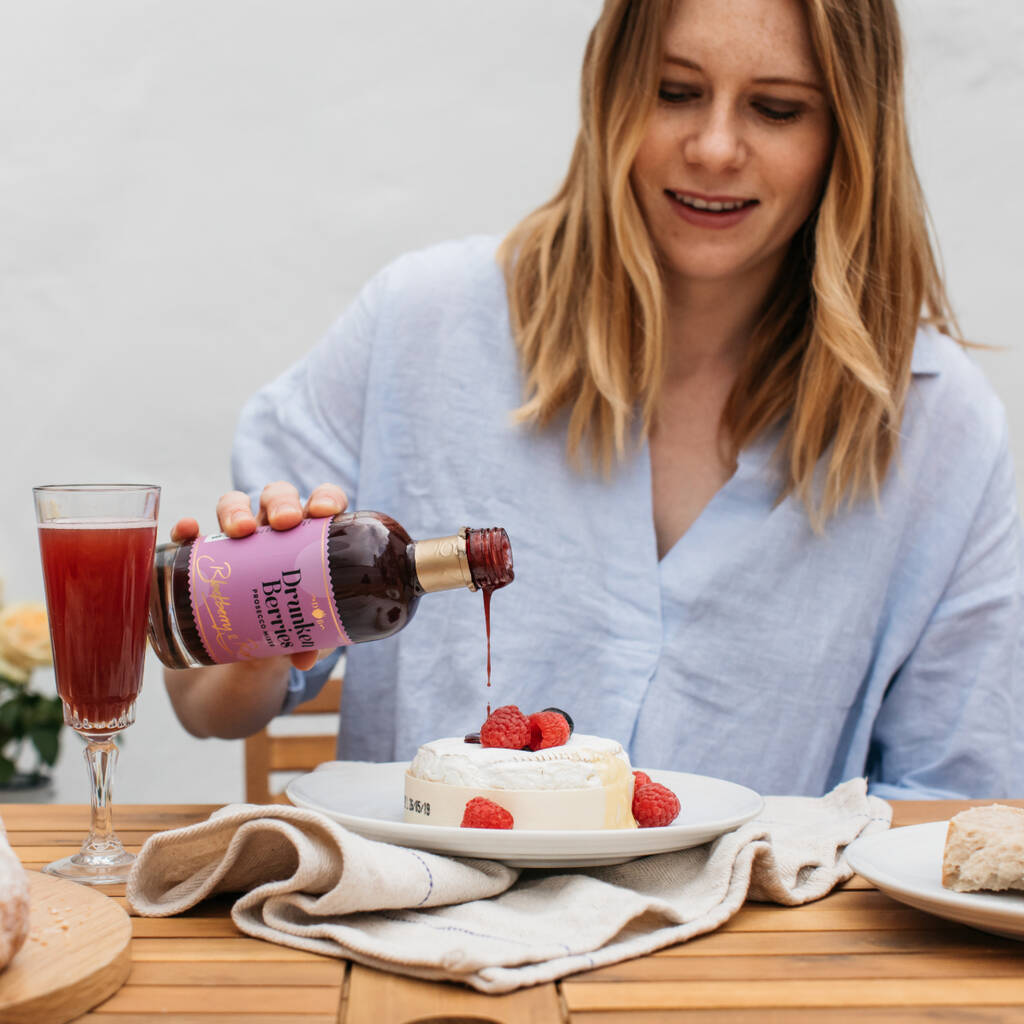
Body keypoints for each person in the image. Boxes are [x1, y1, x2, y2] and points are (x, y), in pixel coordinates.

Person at [165, 0, 1023, 800]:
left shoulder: (939, 429)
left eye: (777, 108)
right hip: (427, 938)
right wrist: (251, 637)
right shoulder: (421, 324)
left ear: (848, 133)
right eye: (675, 92)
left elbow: (954, 803)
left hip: (762, 958)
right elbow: (205, 705)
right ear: (612, 94)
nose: (716, 147)